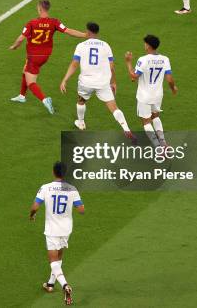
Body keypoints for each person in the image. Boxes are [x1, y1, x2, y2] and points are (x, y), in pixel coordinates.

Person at [59, 22, 135, 141]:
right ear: (97, 32)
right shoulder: (106, 46)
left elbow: (74, 64)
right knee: (114, 107)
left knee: (81, 101)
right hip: (103, 83)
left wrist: (65, 80)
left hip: (86, 82)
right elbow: (111, 66)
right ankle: (125, 128)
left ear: (88, 32)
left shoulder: (81, 45)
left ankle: (81, 122)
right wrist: (113, 82)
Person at [9, 0, 87, 114]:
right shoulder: (54, 22)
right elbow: (68, 31)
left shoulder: (31, 23)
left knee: (31, 82)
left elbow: (21, 38)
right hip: (45, 56)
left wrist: (14, 46)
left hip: (33, 56)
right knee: (25, 70)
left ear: (40, 8)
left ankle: (45, 100)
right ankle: (22, 95)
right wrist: (84, 34)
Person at [30, 162, 84, 306]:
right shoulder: (72, 189)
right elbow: (81, 209)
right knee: (59, 257)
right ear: (65, 173)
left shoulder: (46, 188)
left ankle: (65, 286)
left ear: (53, 172)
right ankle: (50, 284)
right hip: (66, 229)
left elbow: (35, 206)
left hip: (52, 230)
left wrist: (32, 214)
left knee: (53, 261)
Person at [124, 35, 177, 147]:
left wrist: (128, 62)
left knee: (146, 121)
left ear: (148, 45)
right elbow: (170, 79)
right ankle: (163, 143)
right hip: (158, 95)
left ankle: (158, 148)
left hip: (144, 96)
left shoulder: (143, 60)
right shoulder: (165, 59)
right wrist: (173, 88)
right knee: (156, 117)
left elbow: (134, 76)